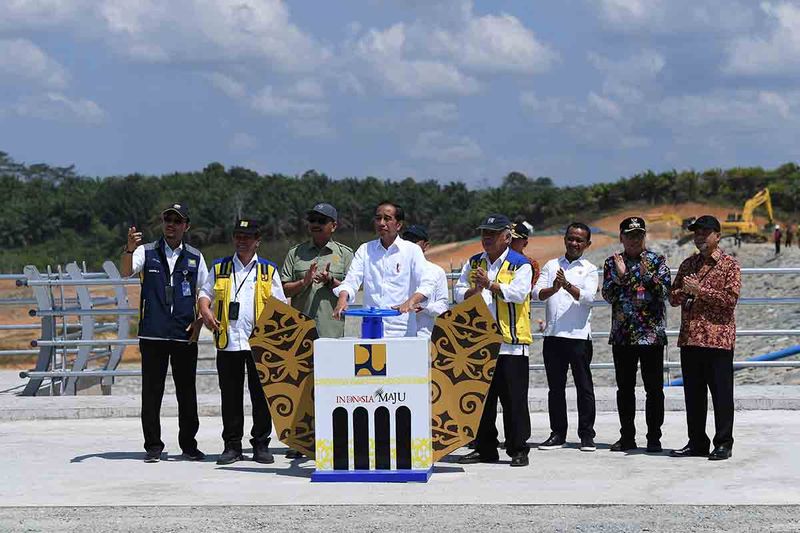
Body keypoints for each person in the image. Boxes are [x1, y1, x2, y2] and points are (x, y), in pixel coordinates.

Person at [121, 203, 208, 463]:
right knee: (151, 393)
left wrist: (200, 321)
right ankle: (153, 446)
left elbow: (205, 292)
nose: (171, 224)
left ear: (186, 226)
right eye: (167, 219)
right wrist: (128, 247)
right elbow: (126, 271)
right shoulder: (145, 252)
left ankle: (189, 445)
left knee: (187, 393)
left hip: (184, 333)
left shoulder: (195, 256)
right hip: (153, 334)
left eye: (177, 221)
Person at [198, 219, 287, 465]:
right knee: (231, 396)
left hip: (259, 343)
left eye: (247, 237)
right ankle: (232, 446)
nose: (241, 240)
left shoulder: (268, 271)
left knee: (261, 396)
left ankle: (261, 445)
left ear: (257, 241)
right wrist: (205, 309)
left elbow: (280, 305)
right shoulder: (219, 267)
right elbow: (205, 293)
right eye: (238, 235)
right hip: (228, 342)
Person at [454, 214, 533, 467]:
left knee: (514, 401)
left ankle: (518, 449)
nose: (486, 237)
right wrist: (473, 291)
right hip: (478, 343)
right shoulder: (474, 262)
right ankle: (485, 447)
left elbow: (519, 293)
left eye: (492, 233)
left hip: (510, 343)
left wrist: (489, 285)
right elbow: (458, 294)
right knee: (481, 401)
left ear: (507, 237)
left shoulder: (520, 263)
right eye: (484, 232)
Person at [669, 215, 741, 461]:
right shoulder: (688, 264)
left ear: (717, 236)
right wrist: (683, 292)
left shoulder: (729, 265)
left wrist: (701, 291)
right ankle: (697, 442)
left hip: (717, 339)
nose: (699, 236)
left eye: (705, 232)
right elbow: (673, 297)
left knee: (721, 395)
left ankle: (723, 443)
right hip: (691, 339)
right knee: (694, 396)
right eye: (696, 232)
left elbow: (730, 300)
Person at [601, 217, 671, 454]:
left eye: (638, 235)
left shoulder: (657, 261)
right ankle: (627, 437)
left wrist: (648, 276)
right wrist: (622, 276)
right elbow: (608, 295)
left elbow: (665, 292)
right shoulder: (612, 263)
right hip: (623, 336)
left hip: (651, 336)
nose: (634, 240)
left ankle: (654, 438)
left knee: (654, 390)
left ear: (644, 236)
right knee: (625, 389)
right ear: (621, 237)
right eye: (629, 235)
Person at [533, 222, 598, 452]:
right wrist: (554, 288)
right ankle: (558, 433)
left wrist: (567, 285)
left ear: (587, 244)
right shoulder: (551, 265)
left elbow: (589, 298)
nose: (574, 243)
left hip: (579, 336)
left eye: (579, 240)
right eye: (571, 238)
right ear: (565, 239)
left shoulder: (590, 268)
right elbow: (537, 293)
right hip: (553, 335)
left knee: (584, 387)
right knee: (556, 388)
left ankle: (587, 435)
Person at [332, 201, 434, 337]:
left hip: (402, 330)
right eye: (378, 218)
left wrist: (411, 301)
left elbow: (427, 283)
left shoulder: (412, 251)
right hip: (371, 329)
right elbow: (351, 280)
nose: (381, 223)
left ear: (398, 225)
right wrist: (342, 299)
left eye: (387, 218)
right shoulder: (365, 250)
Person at [281, 203, 354, 339]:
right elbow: (283, 291)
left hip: (331, 330)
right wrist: (304, 282)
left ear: (333, 226)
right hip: (300, 332)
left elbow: (351, 291)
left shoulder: (345, 254)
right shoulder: (295, 253)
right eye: (312, 220)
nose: (316, 224)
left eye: (321, 221)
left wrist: (331, 281)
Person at [401, 224, 450, 337]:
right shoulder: (393, 270)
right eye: (406, 240)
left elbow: (443, 307)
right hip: (397, 336)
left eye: (414, 241)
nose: (409, 244)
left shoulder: (436, 271)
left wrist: (424, 308)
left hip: (424, 336)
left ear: (426, 246)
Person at [510, 222, 541, 287]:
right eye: (507, 237)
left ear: (525, 244)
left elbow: (533, 291)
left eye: (514, 239)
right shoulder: (495, 259)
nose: (509, 241)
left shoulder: (532, 264)